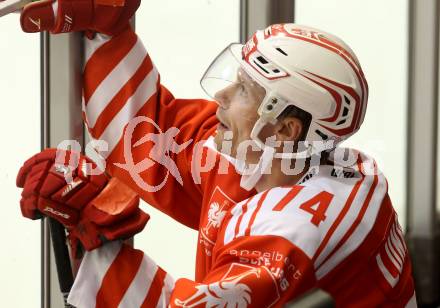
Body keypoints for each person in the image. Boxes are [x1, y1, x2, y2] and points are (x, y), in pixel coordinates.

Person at [15, 0, 416, 306]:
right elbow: (149, 135)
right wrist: (106, 29)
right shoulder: (268, 154)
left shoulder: (295, 231)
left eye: (243, 90)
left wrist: (93, 225)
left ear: (285, 128)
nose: (222, 96)